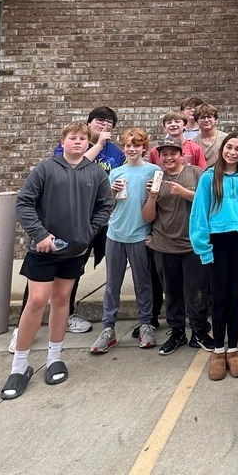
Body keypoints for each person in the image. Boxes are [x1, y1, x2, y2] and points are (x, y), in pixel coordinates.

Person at [2, 123, 112, 399]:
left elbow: (105, 206)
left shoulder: (96, 173)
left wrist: (88, 232)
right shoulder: (45, 169)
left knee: (63, 300)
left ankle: (54, 358)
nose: (78, 142)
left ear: (89, 143)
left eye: (82, 139)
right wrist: (40, 234)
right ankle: (20, 365)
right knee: (37, 301)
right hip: (44, 250)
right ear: (62, 141)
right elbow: (24, 203)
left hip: (75, 251)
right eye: (72, 138)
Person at [8, 105, 123, 351]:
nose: (104, 125)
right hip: (50, 234)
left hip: (85, 227)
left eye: (109, 122)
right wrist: (98, 144)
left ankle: (65, 321)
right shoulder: (61, 156)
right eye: (99, 121)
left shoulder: (115, 152)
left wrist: (90, 229)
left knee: (69, 283)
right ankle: (22, 331)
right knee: (37, 294)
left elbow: (106, 193)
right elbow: (75, 166)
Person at [189, 133, 238, 381]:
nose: (233, 152)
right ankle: (218, 349)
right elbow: (199, 213)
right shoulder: (210, 177)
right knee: (218, 296)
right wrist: (203, 246)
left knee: (235, 296)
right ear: (222, 149)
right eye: (229, 147)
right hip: (216, 242)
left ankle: (233, 348)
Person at [91, 128, 157, 354]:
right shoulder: (116, 172)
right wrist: (111, 190)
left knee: (143, 282)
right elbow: (108, 204)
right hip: (115, 234)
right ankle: (108, 328)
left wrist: (153, 233)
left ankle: (146, 323)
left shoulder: (153, 170)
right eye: (128, 145)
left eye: (136, 145)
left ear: (143, 148)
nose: (131, 149)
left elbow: (159, 205)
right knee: (112, 284)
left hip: (139, 234)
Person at [142, 137, 210, 355]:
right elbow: (148, 217)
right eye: (164, 154)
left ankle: (199, 331)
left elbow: (209, 202)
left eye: (173, 153)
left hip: (193, 244)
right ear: (159, 157)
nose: (169, 158)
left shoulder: (196, 173)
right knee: (171, 293)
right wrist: (152, 197)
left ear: (182, 155)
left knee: (196, 292)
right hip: (164, 245)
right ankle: (177, 332)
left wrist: (183, 192)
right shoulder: (156, 178)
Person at [192, 103, 229, 169]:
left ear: (216, 120)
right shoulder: (193, 143)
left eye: (209, 117)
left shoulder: (226, 139)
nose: (206, 120)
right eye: (202, 117)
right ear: (197, 122)